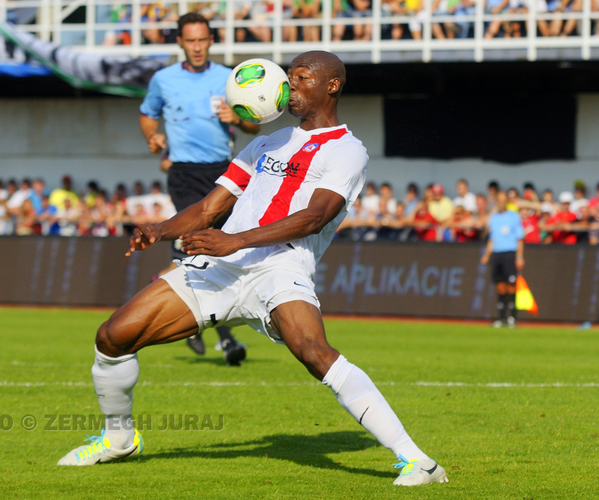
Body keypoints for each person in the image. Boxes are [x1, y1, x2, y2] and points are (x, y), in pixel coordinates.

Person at [57, 51, 448, 487]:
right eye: (289, 77)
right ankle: (117, 440)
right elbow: (209, 208)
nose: (291, 85)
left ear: (331, 85)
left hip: (281, 266)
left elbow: (315, 216)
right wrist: (159, 229)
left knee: (313, 352)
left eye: (301, 78)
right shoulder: (266, 142)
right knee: (113, 336)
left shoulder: (347, 149)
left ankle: (419, 462)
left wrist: (234, 240)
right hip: (221, 267)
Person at [139, 12, 260, 365]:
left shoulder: (228, 78)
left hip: (224, 171)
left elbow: (253, 124)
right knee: (202, 243)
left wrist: (237, 118)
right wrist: (152, 136)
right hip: (185, 173)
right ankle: (226, 340)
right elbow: (148, 114)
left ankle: (182, 300)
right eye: (190, 40)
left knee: (215, 251)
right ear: (180, 42)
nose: (196, 47)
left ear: (211, 41)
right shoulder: (163, 80)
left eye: (201, 40)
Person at [480, 191, 525, 328]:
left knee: (511, 285)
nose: (501, 202)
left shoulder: (514, 217)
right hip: (497, 253)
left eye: (503, 200)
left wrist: (519, 256)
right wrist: (487, 254)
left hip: (509, 252)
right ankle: (501, 317)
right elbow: (492, 239)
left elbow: (519, 238)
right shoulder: (493, 218)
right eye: (499, 200)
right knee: (500, 286)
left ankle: (512, 317)